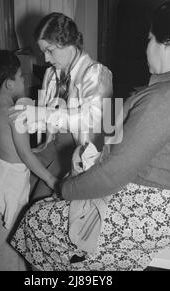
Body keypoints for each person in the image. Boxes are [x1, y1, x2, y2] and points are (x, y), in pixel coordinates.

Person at [11, 0, 170, 271]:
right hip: (164, 203)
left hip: (146, 215)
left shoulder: (162, 97)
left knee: (36, 220)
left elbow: (111, 166)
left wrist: (67, 189)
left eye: (149, 39)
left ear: (168, 44)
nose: (146, 48)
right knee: (49, 202)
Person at [0, 51, 57, 271]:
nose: (25, 81)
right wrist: (51, 179)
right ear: (8, 84)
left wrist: (37, 147)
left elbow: (6, 146)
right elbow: (24, 155)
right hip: (8, 187)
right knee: (11, 243)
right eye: (21, 77)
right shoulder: (16, 113)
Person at [10, 12, 113, 201]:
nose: (46, 59)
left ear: (68, 43)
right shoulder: (51, 74)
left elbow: (93, 120)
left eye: (50, 50)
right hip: (52, 149)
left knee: (39, 204)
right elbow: (45, 124)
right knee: (17, 187)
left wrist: (41, 114)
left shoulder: (97, 73)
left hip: (80, 155)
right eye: (43, 52)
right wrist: (26, 114)